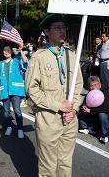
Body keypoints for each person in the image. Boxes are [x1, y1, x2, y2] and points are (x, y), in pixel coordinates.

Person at [26, 13, 83, 177]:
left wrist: (74, 110)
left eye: (64, 27)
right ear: (46, 31)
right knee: (49, 167)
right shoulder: (39, 57)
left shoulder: (72, 56)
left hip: (70, 119)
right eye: (57, 28)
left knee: (65, 163)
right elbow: (32, 89)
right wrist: (59, 106)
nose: (62, 31)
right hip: (48, 119)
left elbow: (78, 85)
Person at [0, 44, 28, 138]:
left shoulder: (16, 60)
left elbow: (25, 63)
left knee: (17, 110)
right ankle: (9, 127)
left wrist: (21, 51)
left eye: (8, 50)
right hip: (4, 89)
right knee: (6, 111)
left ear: (11, 51)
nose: (6, 52)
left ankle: (20, 128)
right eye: (4, 50)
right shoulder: (0, 63)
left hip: (15, 89)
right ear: (3, 52)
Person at [78, 76, 109, 144]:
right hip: (95, 115)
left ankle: (104, 135)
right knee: (80, 112)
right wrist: (84, 107)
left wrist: (90, 111)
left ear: (100, 84)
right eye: (91, 86)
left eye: (96, 85)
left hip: (108, 117)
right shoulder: (90, 93)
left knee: (102, 114)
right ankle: (85, 128)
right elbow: (84, 104)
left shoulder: (106, 94)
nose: (94, 87)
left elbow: (106, 109)